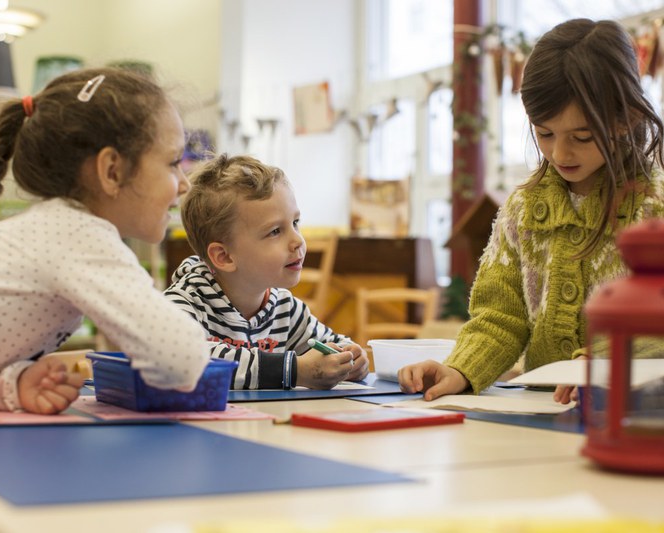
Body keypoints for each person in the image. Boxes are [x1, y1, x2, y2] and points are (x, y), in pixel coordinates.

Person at [0, 68, 210, 414]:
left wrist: (13, 384)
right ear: (112, 171)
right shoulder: (79, 237)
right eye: (173, 162)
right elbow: (179, 359)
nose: (184, 183)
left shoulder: (60, 232)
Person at [398, 18, 664, 404]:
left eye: (582, 137)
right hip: (538, 413)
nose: (559, 153)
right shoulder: (522, 210)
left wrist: (608, 364)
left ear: (626, 120)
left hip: (634, 413)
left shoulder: (655, 206)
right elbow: (500, 318)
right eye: (545, 133)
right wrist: (460, 368)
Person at [164, 154, 369, 389]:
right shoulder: (181, 305)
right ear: (224, 257)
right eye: (274, 231)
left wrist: (350, 358)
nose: (298, 241)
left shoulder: (285, 308)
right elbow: (189, 360)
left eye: (295, 223)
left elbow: (330, 344)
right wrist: (294, 370)